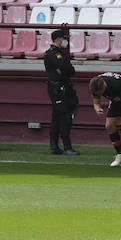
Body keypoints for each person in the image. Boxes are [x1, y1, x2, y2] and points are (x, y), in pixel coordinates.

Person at [89, 72, 121, 168]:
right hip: (116, 100)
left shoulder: (116, 85)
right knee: (109, 126)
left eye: (100, 93)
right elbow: (96, 102)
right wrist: (97, 108)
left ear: (104, 86)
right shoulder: (95, 84)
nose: (100, 95)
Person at [44, 28, 78, 156]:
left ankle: (54, 146)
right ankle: (66, 146)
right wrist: (65, 70)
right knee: (64, 117)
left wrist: (65, 70)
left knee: (57, 116)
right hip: (58, 89)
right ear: (58, 39)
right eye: (64, 38)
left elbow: (69, 70)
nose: (65, 41)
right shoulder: (54, 54)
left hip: (60, 87)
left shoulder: (57, 53)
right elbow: (66, 69)